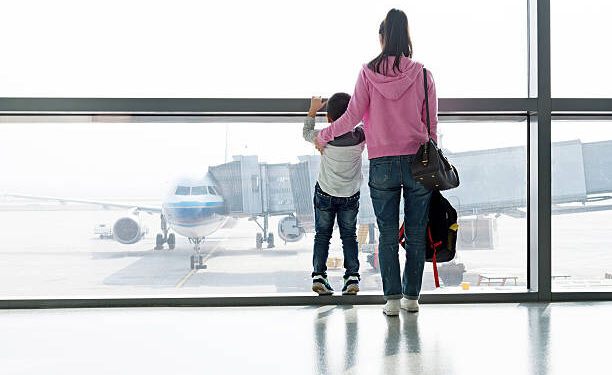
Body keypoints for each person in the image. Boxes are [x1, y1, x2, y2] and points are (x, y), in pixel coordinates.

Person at [314, 9, 438, 315]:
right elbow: (432, 126)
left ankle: (392, 301)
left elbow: (352, 117)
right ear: (407, 35)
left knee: (386, 234)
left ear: (382, 37)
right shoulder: (423, 74)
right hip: (418, 162)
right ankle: (412, 299)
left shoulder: (368, 73)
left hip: (382, 162)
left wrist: (324, 136)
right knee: (416, 231)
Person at [303, 93, 365, 295]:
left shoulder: (325, 136)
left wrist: (313, 110)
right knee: (349, 236)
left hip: (325, 193)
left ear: (328, 118)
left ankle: (319, 276)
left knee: (322, 235)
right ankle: (352, 278)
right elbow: (370, 122)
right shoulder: (360, 136)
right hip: (350, 195)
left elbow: (306, 132)